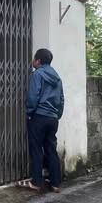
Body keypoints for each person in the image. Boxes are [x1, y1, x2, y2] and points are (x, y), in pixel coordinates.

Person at [24, 47, 64, 192]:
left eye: (34, 58)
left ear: (38, 61)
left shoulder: (37, 74)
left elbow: (33, 96)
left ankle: (36, 182)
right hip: (53, 119)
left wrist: (29, 112)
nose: (33, 61)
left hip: (39, 116)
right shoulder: (57, 78)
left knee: (36, 149)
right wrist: (57, 115)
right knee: (51, 149)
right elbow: (61, 99)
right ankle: (55, 183)